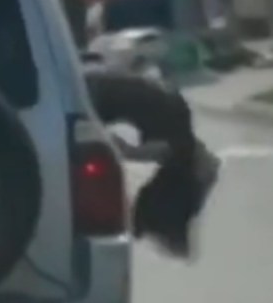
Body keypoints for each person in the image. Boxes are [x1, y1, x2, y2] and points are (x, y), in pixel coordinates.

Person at [84, 68, 221, 259]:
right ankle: (158, 225)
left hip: (105, 89)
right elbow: (157, 150)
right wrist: (123, 149)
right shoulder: (176, 140)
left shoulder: (175, 119)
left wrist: (120, 147)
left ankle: (159, 225)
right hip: (98, 94)